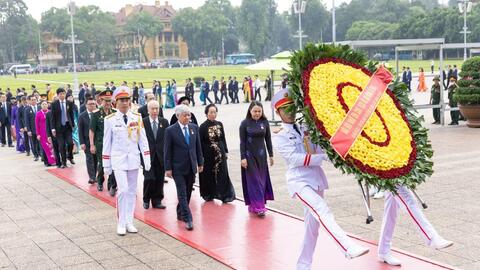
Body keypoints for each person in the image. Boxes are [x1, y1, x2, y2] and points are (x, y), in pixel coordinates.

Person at [271, 89, 369, 269]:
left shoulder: (305, 127)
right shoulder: (279, 136)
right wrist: (321, 158)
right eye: (285, 109)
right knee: (321, 208)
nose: (290, 111)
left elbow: (320, 148)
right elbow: (294, 158)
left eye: (292, 107)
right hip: (299, 181)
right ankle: (347, 247)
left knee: (312, 228)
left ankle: (303, 265)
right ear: (278, 112)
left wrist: (339, 156)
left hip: (316, 179)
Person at [102, 87, 150, 236]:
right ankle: (121, 222)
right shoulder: (109, 120)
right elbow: (106, 143)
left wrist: (146, 158)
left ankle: (129, 221)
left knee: (131, 191)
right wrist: (106, 164)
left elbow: (143, 140)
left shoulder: (137, 117)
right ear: (116, 103)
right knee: (122, 190)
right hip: (118, 159)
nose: (125, 103)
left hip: (133, 159)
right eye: (122, 100)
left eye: (127, 100)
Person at [377, 186, 453, 266]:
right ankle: (432, 238)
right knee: (409, 201)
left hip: (390, 175)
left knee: (391, 208)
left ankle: (383, 250)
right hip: (390, 176)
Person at [164, 104, 204, 231]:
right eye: (185, 115)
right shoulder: (170, 130)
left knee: (187, 192)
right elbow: (167, 151)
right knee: (181, 193)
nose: (188, 117)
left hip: (191, 166)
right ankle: (188, 219)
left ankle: (180, 211)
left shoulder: (194, 128)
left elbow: (198, 147)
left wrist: (200, 163)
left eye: (189, 114)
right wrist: (168, 168)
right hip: (177, 168)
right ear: (178, 116)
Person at [239, 101, 274, 216]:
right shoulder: (244, 123)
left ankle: (254, 205)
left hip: (262, 156)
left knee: (262, 181)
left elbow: (268, 139)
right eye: (255, 111)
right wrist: (243, 157)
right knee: (254, 181)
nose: (257, 113)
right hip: (249, 157)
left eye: (259, 111)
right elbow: (242, 142)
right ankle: (259, 207)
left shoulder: (265, 122)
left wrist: (271, 155)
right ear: (250, 111)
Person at [199, 104, 235, 203]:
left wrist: (226, 151)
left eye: (215, 112)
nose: (213, 114)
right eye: (211, 112)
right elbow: (200, 142)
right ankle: (208, 194)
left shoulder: (219, 124)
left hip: (220, 153)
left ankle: (225, 195)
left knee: (222, 173)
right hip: (208, 154)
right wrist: (201, 155)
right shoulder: (202, 127)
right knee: (209, 174)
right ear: (206, 114)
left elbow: (223, 138)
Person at [89, 90, 117, 195]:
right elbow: (92, 130)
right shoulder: (96, 114)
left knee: (113, 164)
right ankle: (100, 181)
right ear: (101, 101)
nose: (108, 103)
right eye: (106, 101)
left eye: (109, 101)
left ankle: (111, 185)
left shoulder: (115, 112)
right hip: (100, 144)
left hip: (113, 143)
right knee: (102, 164)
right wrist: (92, 144)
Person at [142, 100, 168, 209]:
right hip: (148, 156)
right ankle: (146, 199)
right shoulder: (143, 122)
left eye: (157, 108)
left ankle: (157, 200)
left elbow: (167, 139)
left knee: (159, 179)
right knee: (149, 178)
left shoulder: (164, 122)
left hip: (161, 156)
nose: (155, 111)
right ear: (148, 110)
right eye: (152, 108)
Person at [50, 88, 75, 168]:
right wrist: (53, 128)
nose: (62, 95)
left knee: (70, 143)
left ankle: (70, 156)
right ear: (58, 95)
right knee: (61, 145)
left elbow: (71, 115)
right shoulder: (54, 104)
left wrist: (73, 125)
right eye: (60, 94)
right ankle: (63, 162)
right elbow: (52, 117)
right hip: (59, 128)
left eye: (63, 93)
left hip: (68, 126)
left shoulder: (69, 103)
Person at [79, 97, 98, 184]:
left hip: (97, 140)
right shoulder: (82, 116)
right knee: (89, 158)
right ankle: (92, 177)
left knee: (96, 159)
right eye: (90, 104)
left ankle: (95, 175)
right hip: (86, 141)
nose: (92, 106)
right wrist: (82, 142)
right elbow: (80, 130)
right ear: (86, 105)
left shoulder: (98, 114)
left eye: (93, 104)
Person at [35, 100, 56, 166]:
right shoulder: (38, 113)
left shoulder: (50, 112)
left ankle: (54, 160)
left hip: (49, 133)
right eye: (43, 104)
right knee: (46, 148)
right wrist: (38, 134)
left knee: (51, 147)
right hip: (42, 133)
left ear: (47, 105)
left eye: (45, 104)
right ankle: (48, 161)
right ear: (41, 105)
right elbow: (36, 125)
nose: (44, 105)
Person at [24, 95, 41, 161]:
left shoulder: (39, 107)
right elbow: (26, 121)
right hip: (32, 129)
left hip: (40, 129)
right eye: (32, 100)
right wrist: (28, 130)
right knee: (33, 143)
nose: (34, 101)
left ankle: (41, 154)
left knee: (40, 142)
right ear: (30, 101)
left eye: (35, 99)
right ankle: (36, 155)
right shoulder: (27, 110)